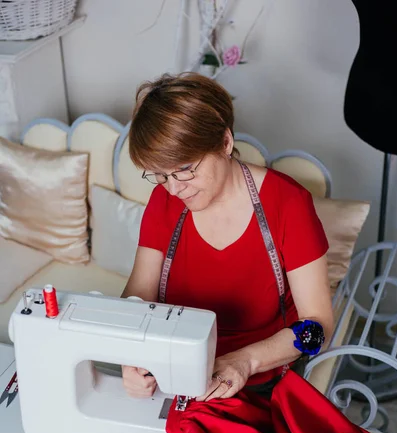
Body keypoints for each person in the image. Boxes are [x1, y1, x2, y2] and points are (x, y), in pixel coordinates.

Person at [121, 72, 334, 401]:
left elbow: (318, 328)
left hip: (260, 379)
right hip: (177, 369)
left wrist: (244, 362)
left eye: (185, 169)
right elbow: (137, 295)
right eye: (161, 175)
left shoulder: (287, 204)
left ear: (224, 142)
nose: (175, 189)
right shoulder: (165, 201)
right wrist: (131, 357)